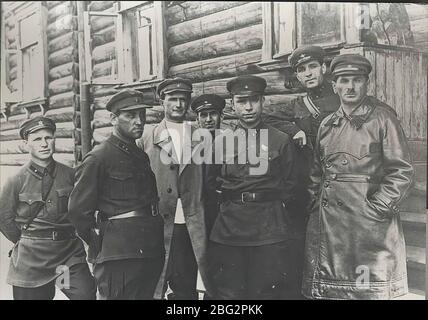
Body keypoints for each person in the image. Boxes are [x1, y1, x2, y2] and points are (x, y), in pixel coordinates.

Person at [302, 54, 414, 300]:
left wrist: (376, 208)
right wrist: (314, 206)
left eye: (357, 80)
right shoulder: (327, 124)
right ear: (334, 85)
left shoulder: (384, 119)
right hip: (330, 229)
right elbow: (316, 173)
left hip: (369, 228)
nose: (350, 87)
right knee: (331, 293)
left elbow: (402, 171)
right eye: (343, 80)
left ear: (367, 83)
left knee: (367, 293)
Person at [208, 75, 299, 299]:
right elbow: (210, 183)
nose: (248, 107)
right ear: (232, 104)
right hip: (230, 229)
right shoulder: (221, 142)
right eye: (241, 101)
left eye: (254, 100)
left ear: (263, 101)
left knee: (268, 292)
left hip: (269, 228)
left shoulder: (280, 140)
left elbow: (292, 185)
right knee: (230, 293)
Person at [68, 89, 164, 300]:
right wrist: (100, 243)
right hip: (118, 253)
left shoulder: (140, 155)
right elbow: (77, 211)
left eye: (142, 115)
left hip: (148, 248)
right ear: (113, 118)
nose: (139, 121)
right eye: (130, 115)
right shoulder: (98, 158)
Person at [263, 46, 341, 298]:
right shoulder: (297, 105)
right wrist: (293, 129)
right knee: (303, 245)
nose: (308, 74)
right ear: (297, 76)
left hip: (339, 183)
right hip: (307, 185)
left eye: (312, 67)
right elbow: (266, 118)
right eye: (301, 70)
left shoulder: (342, 98)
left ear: (324, 68)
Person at [0, 116, 96, 300]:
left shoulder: (71, 175)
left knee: (85, 294)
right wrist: (27, 239)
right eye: (37, 139)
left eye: (48, 138)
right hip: (32, 261)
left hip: (67, 258)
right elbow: (4, 219)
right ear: (25, 143)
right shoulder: (16, 180)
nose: (44, 144)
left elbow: (82, 209)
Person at [138, 78, 210, 300]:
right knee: (152, 283)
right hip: (157, 223)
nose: (178, 104)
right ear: (162, 101)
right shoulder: (147, 137)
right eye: (172, 99)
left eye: (183, 99)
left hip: (190, 224)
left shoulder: (201, 136)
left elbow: (208, 178)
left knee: (185, 285)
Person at [190, 94, 225, 235]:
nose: (209, 120)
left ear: (221, 116)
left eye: (213, 114)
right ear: (197, 119)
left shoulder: (231, 143)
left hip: (224, 210)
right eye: (203, 115)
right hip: (198, 211)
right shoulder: (191, 146)